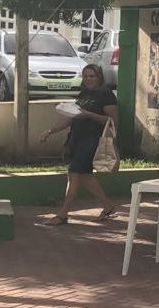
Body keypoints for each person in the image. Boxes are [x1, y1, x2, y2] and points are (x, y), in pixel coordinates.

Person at [39, 64, 118, 225]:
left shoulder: (106, 94)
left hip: (92, 140)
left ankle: (63, 214)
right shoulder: (83, 94)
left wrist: (89, 115)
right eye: (86, 76)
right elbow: (70, 118)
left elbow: (113, 121)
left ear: (99, 77)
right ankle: (108, 206)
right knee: (84, 176)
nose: (88, 79)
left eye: (92, 76)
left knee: (74, 174)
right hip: (77, 139)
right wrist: (50, 131)